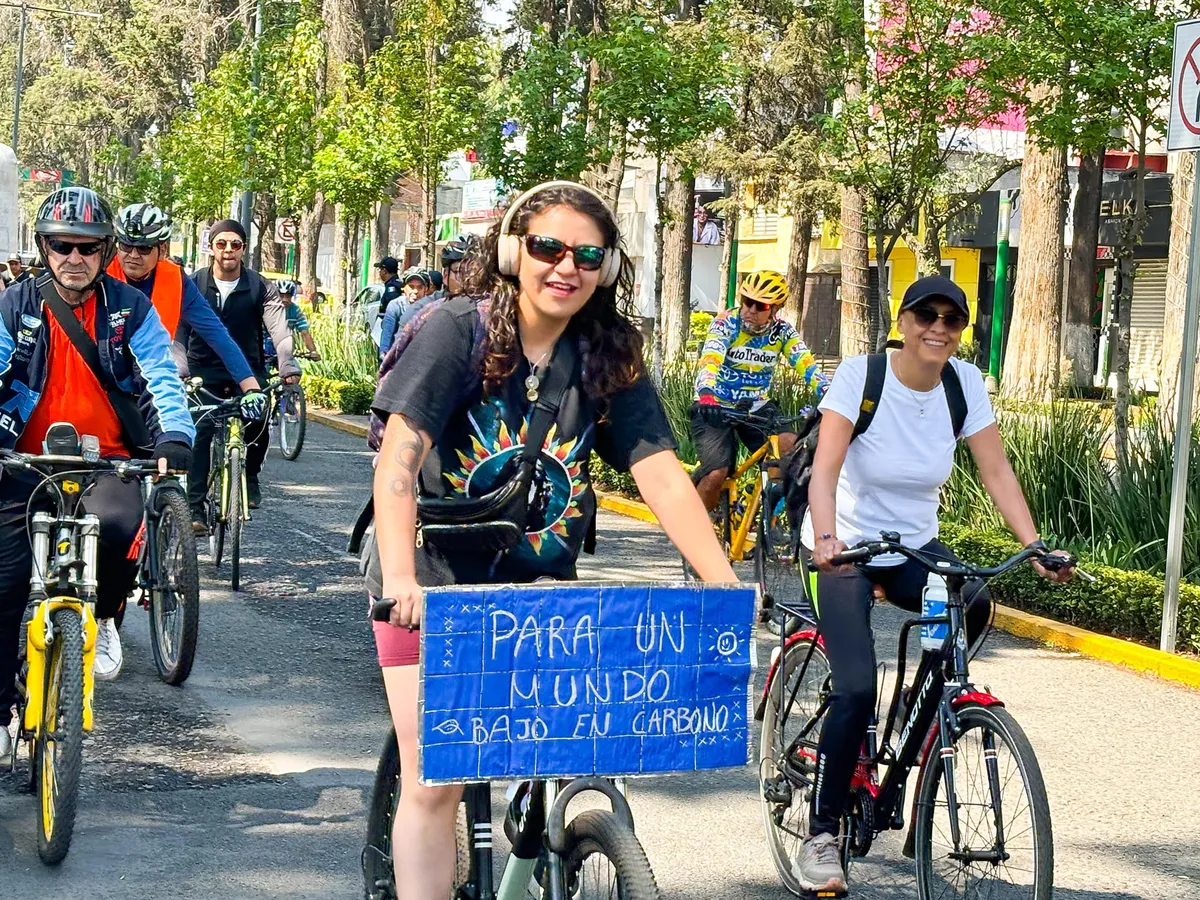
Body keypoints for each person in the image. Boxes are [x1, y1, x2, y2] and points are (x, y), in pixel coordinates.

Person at [367, 180, 737, 898]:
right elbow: (398, 463)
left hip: (536, 583)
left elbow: (660, 475)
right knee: (436, 776)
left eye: (588, 255)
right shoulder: (457, 330)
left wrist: (720, 581)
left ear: (606, 268)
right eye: (548, 248)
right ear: (513, 251)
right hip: (430, 573)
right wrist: (401, 580)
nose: (566, 267)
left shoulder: (608, 353)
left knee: (560, 748)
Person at [793, 274, 1075, 893]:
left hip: (915, 547)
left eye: (952, 318)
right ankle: (822, 829)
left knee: (973, 606)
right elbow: (826, 467)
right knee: (858, 685)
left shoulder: (963, 382)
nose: (938, 328)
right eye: (927, 315)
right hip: (849, 549)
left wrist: (1033, 546)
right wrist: (827, 540)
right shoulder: (863, 378)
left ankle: (918, 736)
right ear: (904, 318)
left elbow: (994, 467)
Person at [0, 188, 194, 761]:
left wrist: (175, 437)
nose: (74, 258)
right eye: (62, 245)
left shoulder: (129, 308)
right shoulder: (16, 303)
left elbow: (160, 373)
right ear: (44, 247)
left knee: (117, 527)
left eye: (87, 248)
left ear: (104, 250)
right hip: (23, 463)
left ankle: (104, 615)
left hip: (105, 461)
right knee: (4, 583)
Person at [182, 219, 297, 525]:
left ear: (244, 248)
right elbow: (178, 331)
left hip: (248, 371)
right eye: (221, 244)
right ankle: (194, 507)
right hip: (201, 372)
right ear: (211, 248)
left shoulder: (261, 287)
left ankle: (251, 474)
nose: (228, 250)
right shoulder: (193, 284)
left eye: (235, 244)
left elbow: (279, 331)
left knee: (258, 419)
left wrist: (287, 364)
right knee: (199, 434)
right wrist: (179, 368)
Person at [690, 269, 829, 513]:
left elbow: (807, 365)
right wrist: (706, 393)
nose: (751, 310)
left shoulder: (782, 332)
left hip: (756, 407)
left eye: (760, 306)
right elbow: (710, 359)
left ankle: (767, 518)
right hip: (714, 405)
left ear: (775, 309)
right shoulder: (726, 324)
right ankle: (694, 533)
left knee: (790, 449)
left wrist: (830, 393)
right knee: (717, 472)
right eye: (747, 302)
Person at [109, 202, 262, 396]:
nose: (133, 255)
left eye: (144, 248)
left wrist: (251, 387)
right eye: (125, 246)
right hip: (102, 382)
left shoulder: (176, 280)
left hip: (149, 383)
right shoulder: (99, 271)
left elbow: (216, 333)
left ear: (162, 249)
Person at [378, 269, 430, 357]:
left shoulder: (430, 307)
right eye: (411, 287)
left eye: (419, 287)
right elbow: (387, 333)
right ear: (404, 288)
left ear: (426, 289)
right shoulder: (396, 305)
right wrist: (384, 354)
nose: (415, 291)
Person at [268, 279, 320, 359]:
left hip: (285, 349)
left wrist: (313, 351)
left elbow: (305, 333)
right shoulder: (266, 309)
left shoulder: (295, 310)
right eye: (281, 296)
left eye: (288, 296)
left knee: (293, 370)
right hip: (265, 349)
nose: (284, 300)